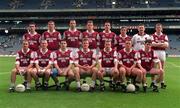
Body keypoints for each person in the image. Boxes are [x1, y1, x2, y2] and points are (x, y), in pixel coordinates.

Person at [151, 23, 168, 88]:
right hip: (154, 52)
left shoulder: (165, 35)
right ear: (155, 28)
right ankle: (153, 82)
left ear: (161, 29)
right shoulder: (152, 35)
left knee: (162, 68)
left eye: (159, 27)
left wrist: (157, 44)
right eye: (157, 27)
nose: (158, 29)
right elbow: (152, 44)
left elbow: (166, 45)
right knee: (154, 68)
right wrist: (161, 43)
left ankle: (162, 82)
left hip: (162, 52)